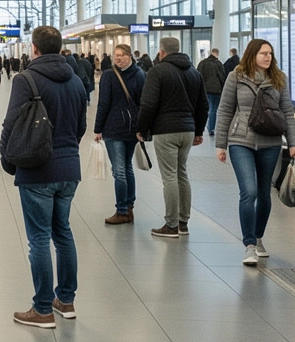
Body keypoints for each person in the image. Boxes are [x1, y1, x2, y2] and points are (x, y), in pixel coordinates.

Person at [0, 26, 87, 329]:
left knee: (38, 239)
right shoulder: (76, 80)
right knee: (62, 232)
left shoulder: (26, 80)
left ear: (34, 48)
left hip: (37, 170)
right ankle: (65, 300)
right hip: (69, 169)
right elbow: (80, 127)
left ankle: (42, 309)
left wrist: (7, 162)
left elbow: (10, 125)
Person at [214, 40, 295, 266]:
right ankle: (249, 245)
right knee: (248, 192)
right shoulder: (237, 76)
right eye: (264, 53)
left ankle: (259, 237)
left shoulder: (279, 79)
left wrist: (293, 142)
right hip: (240, 140)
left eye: (270, 53)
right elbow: (224, 109)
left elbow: (288, 112)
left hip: (270, 142)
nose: (268, 57)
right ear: (252, 54)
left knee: (264, 194)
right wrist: (220, 144)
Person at [136, 36, 208, 239]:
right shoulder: (194, 72)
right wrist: (199, 131)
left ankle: (171, 225)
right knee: (181, 174)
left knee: (169, 177)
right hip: (187, 130)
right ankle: (183, 222)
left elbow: (148, 104)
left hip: (165, 130)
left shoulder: (157, 71)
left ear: (162, 52)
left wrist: (141, 128)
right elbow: (203, 105)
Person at [94, 44, 144, 225]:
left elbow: (144, 103)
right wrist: (98, 128)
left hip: (124, 129)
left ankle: (123, 210)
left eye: (121, 56)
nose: (117, 59)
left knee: (120, 171)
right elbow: (103, 103)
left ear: (130, 56)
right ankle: (128, 207)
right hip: (116, 129)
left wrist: (142, 128)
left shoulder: (139, 75)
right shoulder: (109, 75)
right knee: (125, 168)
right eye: (115, 56)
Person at [198, 48, 227, 137]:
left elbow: (198, 75)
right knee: (213, 109)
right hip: (216, 90)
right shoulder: (218, 64)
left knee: (204, 108)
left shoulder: (202, 63)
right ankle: (211, 129)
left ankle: (201, 127)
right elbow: (222, 77)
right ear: (217, 54)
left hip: (205, 89)